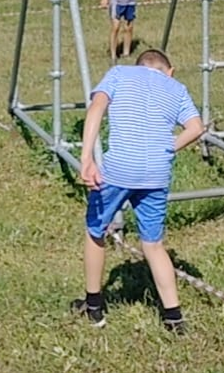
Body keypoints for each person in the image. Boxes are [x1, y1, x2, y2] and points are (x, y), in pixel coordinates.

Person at [73, 49, 204, 332]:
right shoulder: (177, 88)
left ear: (140, 65)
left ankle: (94, 306)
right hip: (156, 173)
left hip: (118, 168)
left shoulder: (119, 73)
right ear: (170, 70)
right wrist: (169, 147)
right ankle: (173, 317)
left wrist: (87, 158)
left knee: (96, 230)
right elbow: (196, 127)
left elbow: (96, 108)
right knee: (153, 244)